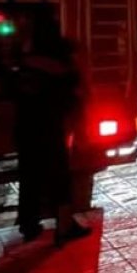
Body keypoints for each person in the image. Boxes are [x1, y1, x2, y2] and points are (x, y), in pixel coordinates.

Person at [13, 26, 89, 245]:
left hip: (25, 129)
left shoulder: (24, 66)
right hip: (50, 130)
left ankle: (28, 224)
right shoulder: (63, 71)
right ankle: (64, 227)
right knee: (59, 179)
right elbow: (77, 97)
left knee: (29, 176)